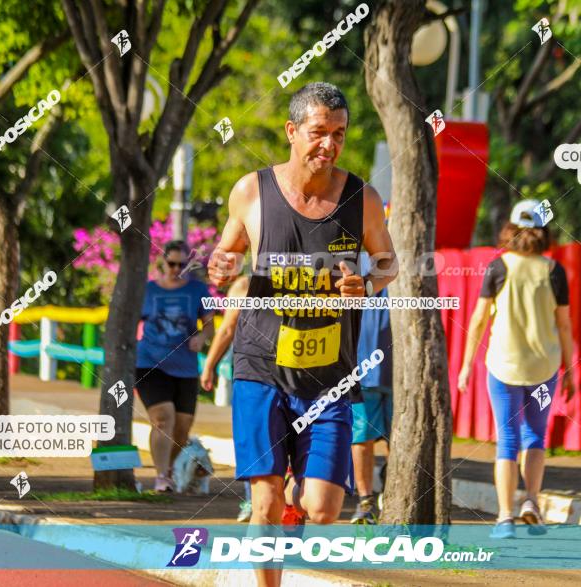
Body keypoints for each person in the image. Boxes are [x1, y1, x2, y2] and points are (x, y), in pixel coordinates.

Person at [207, 82, 397, 587]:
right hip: (260, 365)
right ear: (292, 132)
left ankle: (295, 507)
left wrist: (369, 282)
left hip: (328, 374)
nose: (328, 145)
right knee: (264, 501)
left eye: (338, 134)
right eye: (318, 133)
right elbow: (226, 251)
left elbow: (388, 261)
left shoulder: (362, 198)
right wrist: (222, 266)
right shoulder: (252, 191)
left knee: (323, 509)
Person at [457, 199, 575, 539]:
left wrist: (466, 365)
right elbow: (564, 326)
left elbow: (479, 319)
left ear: (510, 228)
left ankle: (505, 517)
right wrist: (569, 367)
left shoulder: (498, 267)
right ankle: (532, 502)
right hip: (544, 367)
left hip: (504, 366)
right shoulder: (554, 271)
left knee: (507, 441)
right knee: (535, 436)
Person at [135, 240, 215, 492]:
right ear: (163, 263)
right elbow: (128, 322)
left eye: (182, 265)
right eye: (172, 263)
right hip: (149, 364)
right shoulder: (147, 291)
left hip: (186, 367)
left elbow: (210, 323)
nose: (176, 269)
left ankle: (168, 471)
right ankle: (160, 477)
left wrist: (202, 337)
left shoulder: (198, 290)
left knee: (181, 430)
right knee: (162, 419)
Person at [199, 275, 253, 522]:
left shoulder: (244, 286)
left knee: (261, 439)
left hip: (273, 375)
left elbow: (227, 329)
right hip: (253, 374)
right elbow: (228, 329)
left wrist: (209, 365)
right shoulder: (243, 286)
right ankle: (254, 499)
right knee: (256, 439)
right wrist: (210, 364)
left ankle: (264, 501)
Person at [350, 284, 392, 524]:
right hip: (362, 370)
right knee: (361, 436)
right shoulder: (354, 261)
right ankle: (365, 500)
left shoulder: (413, 264)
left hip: (402, 373)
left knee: (400, 438)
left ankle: (391, 489)